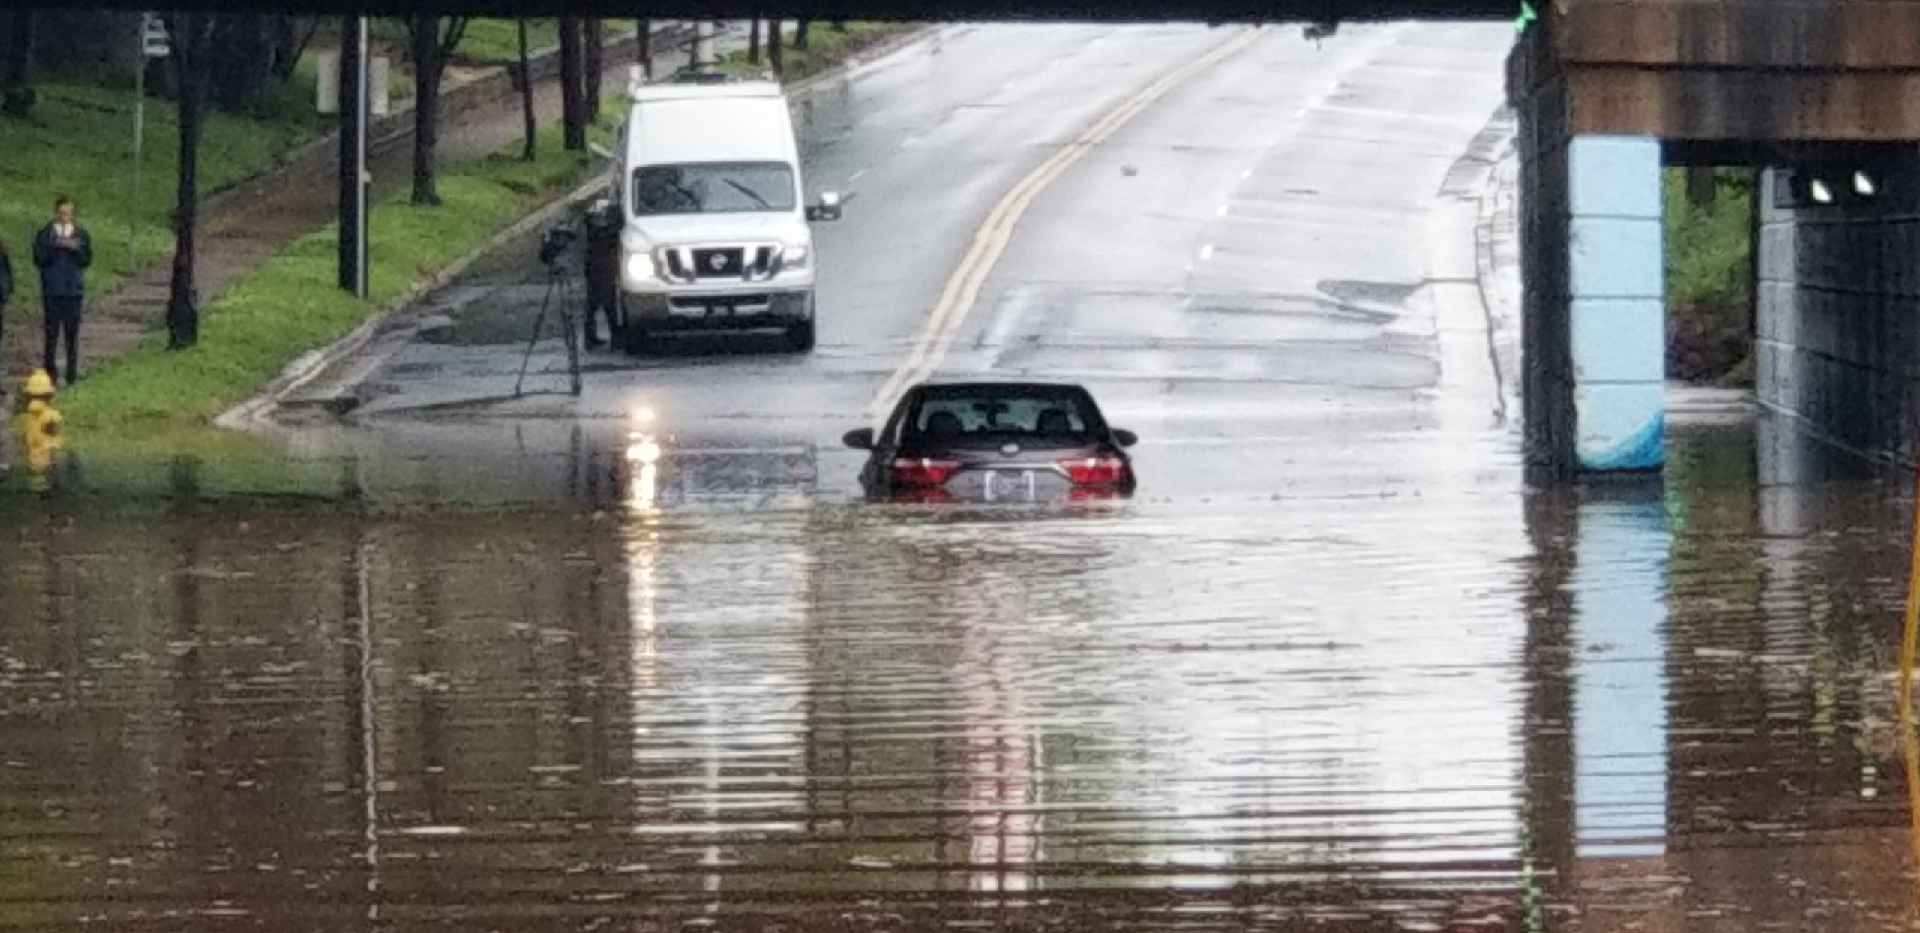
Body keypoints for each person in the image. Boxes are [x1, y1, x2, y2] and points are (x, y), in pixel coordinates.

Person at [32, 195, 92, 385]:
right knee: (51, 334)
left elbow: (86, 260)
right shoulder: (45, 234)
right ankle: (50, 374)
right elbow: (39, 259)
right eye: (62, 213)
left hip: (73, 291)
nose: (65, 216)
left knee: (72, 334)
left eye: (69, 213)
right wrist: (55, 246)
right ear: (56, 213)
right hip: (52, 290)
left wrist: (75, 249)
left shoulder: (81, 234)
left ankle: (72, 375)